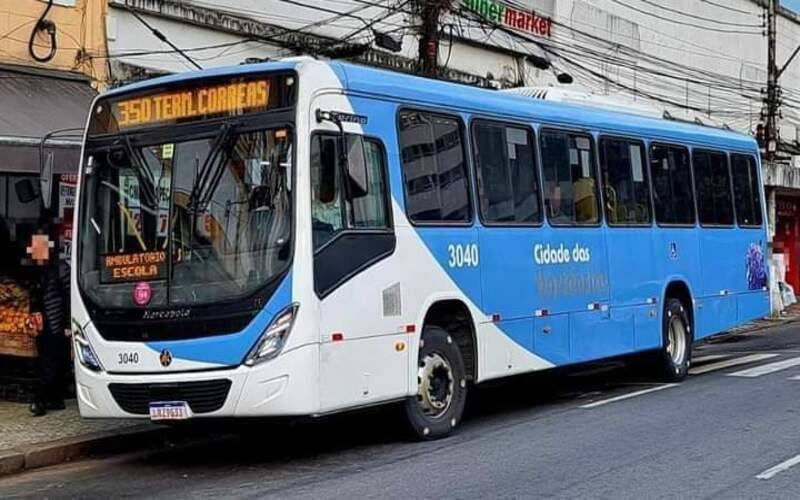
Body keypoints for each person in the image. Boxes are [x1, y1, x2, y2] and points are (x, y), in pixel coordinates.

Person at [27, 227, 70, 417]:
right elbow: (33, 295)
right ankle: (53, 399)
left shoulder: (59, 268)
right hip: (40, 324)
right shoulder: (36, 270)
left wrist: (68, 323)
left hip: (55, 323)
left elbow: (68, 295)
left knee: (52, 362)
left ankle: (40, 399)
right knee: (48, 361)